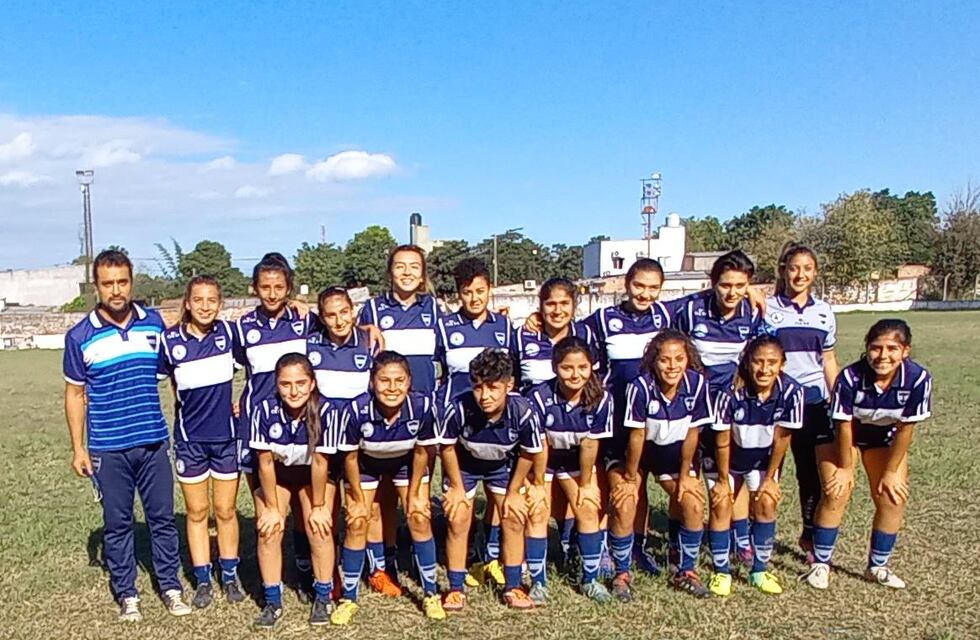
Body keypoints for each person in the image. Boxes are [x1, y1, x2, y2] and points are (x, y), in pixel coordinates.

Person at [63, 249, 191, 620]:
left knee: (163, 519)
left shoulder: (153, 323)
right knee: (118, 524)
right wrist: (78, 448)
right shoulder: (80, 336)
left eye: (122, 282)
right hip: (108, 449)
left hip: (153, 441)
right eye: (108, 283)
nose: (116, 290)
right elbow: (75, 394)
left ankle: (169, 585)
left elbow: (177, 369)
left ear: (132, 282)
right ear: (97, 287)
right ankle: (127, 593)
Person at [802, 319, 932, 590]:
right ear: (867, 348)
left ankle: (878, 567)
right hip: (840, 434)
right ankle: (820, 564)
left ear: (905, 350)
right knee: (837, 491)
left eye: (892, 348)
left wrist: (891, 471)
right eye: (875, 348)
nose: (883, 356)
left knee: (892, 497)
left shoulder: (918, 379)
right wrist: (846, 468)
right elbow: (843, 425)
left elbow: (905, 430)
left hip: (883, 437)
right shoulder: (849, 378)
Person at [672, 249, 763, 596]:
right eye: (726, 284)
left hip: (731, 409)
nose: (732, 292)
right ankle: (684, 545)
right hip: (693, 408)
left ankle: (738, 540)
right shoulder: (690, 309)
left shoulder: (753, 313)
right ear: (713, 284)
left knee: (731, 475)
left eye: (740, 285)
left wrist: (755, 295)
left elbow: (762, 354)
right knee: (693, 475)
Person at [331, 352, 446, 624]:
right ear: (372, 382)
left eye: (399, 381)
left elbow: (422, 452)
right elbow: (349, 457)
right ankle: (349, 598)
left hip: (407, 463)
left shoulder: (423, 406)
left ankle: (430, 594)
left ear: (409, 382)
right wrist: (357, 498)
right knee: (358, 520)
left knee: (419, 516)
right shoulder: (356, 410)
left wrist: (417, 493)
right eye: (384, 380)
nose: (392, 388)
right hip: (366, 464)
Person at [439, 349, 547, 611]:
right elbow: (447, 448)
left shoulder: (523, 412)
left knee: (512, 515)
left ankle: (512, 586)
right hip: (464, 465)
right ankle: (455, 588)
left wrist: (513, 492)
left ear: (509, 385)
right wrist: (454, 487)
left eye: (493, 387)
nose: (484, 395)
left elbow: (529, 453)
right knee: (458, 516)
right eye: (478, 387)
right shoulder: (459, 407)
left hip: (502, 466)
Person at [159, 276, 244, 608]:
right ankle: (203, 579)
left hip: (225, 439)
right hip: (190, 441)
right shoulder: (170, 342)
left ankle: (230, 574)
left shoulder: (229, 334)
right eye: (199, 300)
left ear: (220, 304)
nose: (205, 306)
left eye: (212, 300)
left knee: (225, 510)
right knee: (197, 511)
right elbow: (165, 382)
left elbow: (257, 366)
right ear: (188, 303)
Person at [235, 253, 316, 599]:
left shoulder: (304, 321)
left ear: (289, 288)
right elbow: (232, 367)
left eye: (278, 287)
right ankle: (272, 585)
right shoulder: (241, 327)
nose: (271, 293)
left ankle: (303, 564)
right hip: (258, 427)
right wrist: (237, 398)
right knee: (268, 507)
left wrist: (369, 328)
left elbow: (340, 328)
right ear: (255, 288)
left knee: (303, 504)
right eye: (264, 287)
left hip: (301, 424)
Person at [587, 258, 673, 584]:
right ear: (627, 283)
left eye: (653, 288)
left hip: (652, 417)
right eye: (639, 285)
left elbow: (703, 299)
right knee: (617, 482)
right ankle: (608, 544)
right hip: (615, 417)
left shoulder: (666, 316)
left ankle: (638, 545)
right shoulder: (603, 319)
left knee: (642, 481)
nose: (645, 293)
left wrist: (753, 292)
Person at [435, 257, 513, 585]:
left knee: (499, 494)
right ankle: (461, 555)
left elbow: (514, 374)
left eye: (480, 291)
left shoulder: (506, 327)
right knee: (457, 500)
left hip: (496, 426)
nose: (474, 298)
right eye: (467, 292)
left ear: (489, 290)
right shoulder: (444, 327)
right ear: (458, 295)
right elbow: (435, 373)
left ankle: (491, 552)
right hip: (458, 426)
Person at [621, 329, 715, 598]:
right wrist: (631, 476)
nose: (672, 366)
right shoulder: (640, 387)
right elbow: (636, 436)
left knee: (692, 501)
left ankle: (685, 569)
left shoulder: (697, 384)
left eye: (679, 359)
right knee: (629, 498)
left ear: (688, 359)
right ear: (654, 361)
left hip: (674, 454)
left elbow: (693, 433)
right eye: (664, 360)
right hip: (641, 452)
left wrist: (686, 475)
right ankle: (629, 559)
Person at [249, 354, 339, 628]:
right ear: (276, 385)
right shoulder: (262, 410)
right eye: (286, 384)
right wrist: (273, 509)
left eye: (301, 383)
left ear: (312, 383)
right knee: (269, 528)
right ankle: (273, 600)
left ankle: (323, 596)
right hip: (277, 474)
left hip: (314, 475)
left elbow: (321, 463)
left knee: (319, 526)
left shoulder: (328, 410)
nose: (294, 390)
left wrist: (320, 506)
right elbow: (264, 463)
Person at [513, 277, 596, 569]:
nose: (557, 310)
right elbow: (511, 378)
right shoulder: (522, 335)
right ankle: (526, 556)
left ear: (574, 306)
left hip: (577, 425)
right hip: (534, 432)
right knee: (536, 496)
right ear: (540, 306)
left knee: (578, 493)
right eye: (550, 303)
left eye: (564, 303)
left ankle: (572, 546)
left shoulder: (587, 332)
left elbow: (598, 377)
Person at [763, 243, 839, 563]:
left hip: (813, 402)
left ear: (815, 272)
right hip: (777, 403)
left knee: (810, 475)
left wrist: (837, 400)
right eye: (794, 268)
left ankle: (809, 537)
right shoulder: (766, 307)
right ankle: (760, 535)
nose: (800, 274)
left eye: (807, 268)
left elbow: (829, 360)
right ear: (784, 270)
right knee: (769, 471)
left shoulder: (824, 312)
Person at [713, 336, 804, 594]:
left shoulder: (792, 392)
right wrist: (722, 479)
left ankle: (759, 570)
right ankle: (721, 572)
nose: (764, 369)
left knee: (766, 501)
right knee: (721, 503)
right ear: (747, 362)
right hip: (726, 456)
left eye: (772, 362)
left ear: (782, 364)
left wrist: (770, 478)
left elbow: (781, 439)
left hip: (761, 458)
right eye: (758, 362)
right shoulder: (730, 391)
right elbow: (721, 441)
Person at [526, 336, 614, 604]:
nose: (575, 375)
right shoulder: (539, 396)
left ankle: (589, 580)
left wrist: (587, 484)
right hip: (545, 459)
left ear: (591, 367)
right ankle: (538, 582)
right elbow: (539, 445)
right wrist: (539, 483)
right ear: (555, 367)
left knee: (587, 506)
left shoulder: (600, 398)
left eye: (582, 368)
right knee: (537, 509)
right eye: (567, 368)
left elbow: (590, 445)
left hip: (577, 461)